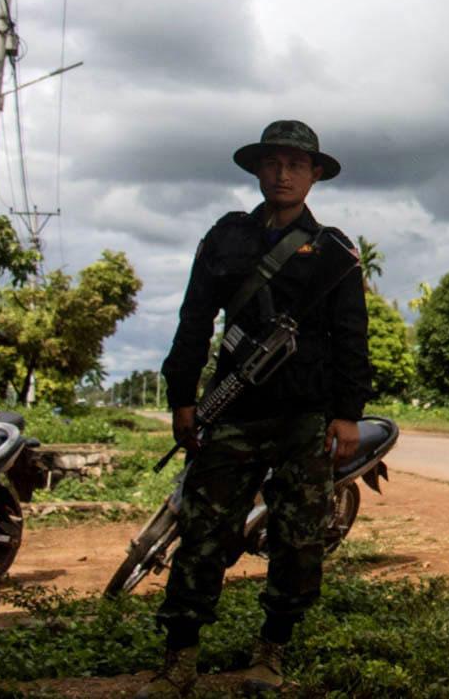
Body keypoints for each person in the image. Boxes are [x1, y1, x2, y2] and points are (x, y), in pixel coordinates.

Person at [139, 120, 370, 697]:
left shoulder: (336, 252)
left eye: (296, 164)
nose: (283, 174)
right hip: (234, 413)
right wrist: (183, 397)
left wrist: (347, 413)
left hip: (305, 417)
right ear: (257, 170)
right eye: (273, 163)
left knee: (297, 539)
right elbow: (194, 320)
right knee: (203, 534)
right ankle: (180, 659)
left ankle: (271, 651)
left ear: (315, 174)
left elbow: (351, 336)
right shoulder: (227, 239)